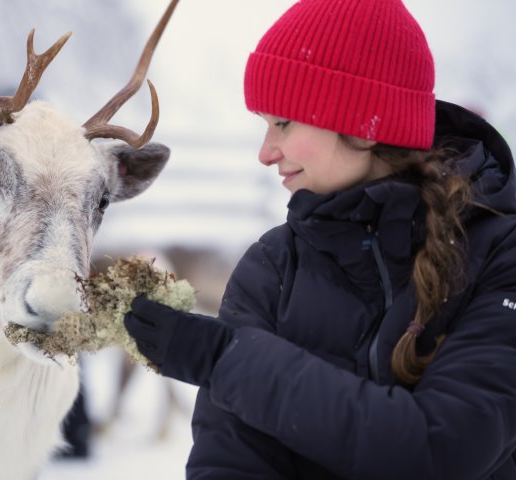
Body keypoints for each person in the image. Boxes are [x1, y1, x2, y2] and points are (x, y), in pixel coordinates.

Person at [124, 0, 516, 478]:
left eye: (282, 123)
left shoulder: (500, 253)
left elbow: (442, 449)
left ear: (365, 124)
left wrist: (227, 360)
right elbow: (229, 463)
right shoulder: (271, 266)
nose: (266, 153)